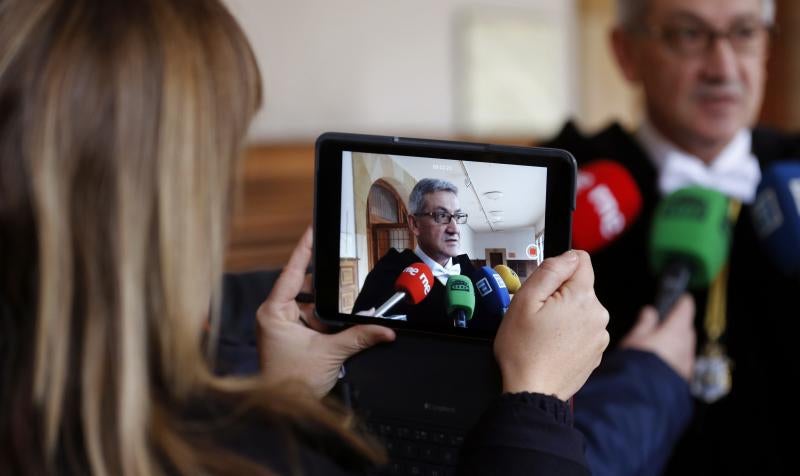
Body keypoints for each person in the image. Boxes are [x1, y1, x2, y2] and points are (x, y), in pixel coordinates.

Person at [0, 0, 611, 474]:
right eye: (223, 151)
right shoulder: (386, 279)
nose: (454, 225)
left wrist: (285, 397)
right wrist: (536, 402)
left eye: (460, 218)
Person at [544, 0, 799, 473]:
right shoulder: (561, 190)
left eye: (745, 32)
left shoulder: (794, 171)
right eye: (688, 34)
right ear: (626, 52)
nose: (723, 68)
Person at [352, 178, 479, 327]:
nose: (455, 228)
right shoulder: (387, 273)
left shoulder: (470, 271)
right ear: (415, 224)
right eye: (441, 216)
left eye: (457, 216)